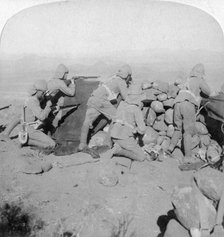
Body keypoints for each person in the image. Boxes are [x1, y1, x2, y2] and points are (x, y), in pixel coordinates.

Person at [78, 64, 132, 151]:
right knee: (116, 118)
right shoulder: (121, 81)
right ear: (127, 75)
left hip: (92, 98)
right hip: (101, 101)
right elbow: (126, 98)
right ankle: (107, 144)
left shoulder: (112, 78)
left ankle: (82, 144)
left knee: (87, 121)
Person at [168, 64, 211, 163]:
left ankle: (169, 149)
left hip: (177, 103)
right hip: (188, 104)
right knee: (188, 131)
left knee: (177, 128)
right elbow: (208, 92)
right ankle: (188, 157)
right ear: (201, 73)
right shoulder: (199, 80)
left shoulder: (186, 79)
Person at [2, 80, 56, 151]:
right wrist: (48, 106)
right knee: (52, 144)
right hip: (31, 130)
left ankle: (26, 141)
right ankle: (27, 141)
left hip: (27, 128)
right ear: (38, 91)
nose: (44, 95)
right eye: (43, 93)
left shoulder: (31, 99)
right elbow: (42, 117)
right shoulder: (33, 101)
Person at [107, 83, 147, 162]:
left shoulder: (122, 104)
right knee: (141, 157)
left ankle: (118, 147)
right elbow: (142, 130)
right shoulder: (136, 109)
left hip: (114, 135)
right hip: (124, 138)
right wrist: (136, 129)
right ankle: (119, 150)